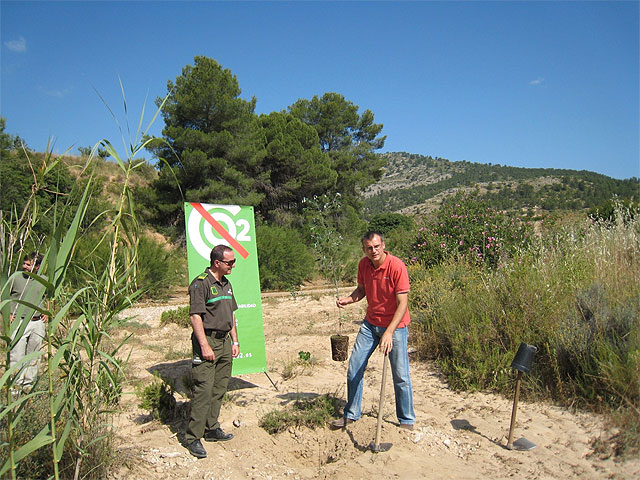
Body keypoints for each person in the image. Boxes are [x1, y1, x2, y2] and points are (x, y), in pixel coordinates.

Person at [332, 231, 416, 430]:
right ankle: (351, 413)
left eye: (377, 246)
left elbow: (402, 304)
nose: (374, 251)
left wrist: (388, 333)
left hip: (396, 326)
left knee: (401, 375)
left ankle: (406, 420)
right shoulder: (363, 265)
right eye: (369, 248)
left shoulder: (397, 266)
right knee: (354, 367)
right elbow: (361, 290)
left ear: (383, 245)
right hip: (370, 324)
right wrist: (348, 299)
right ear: (364, 250)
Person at [184, 244, 241, 459]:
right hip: (207, 341)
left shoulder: (226, 284)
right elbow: (195, 316)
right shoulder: (201, 284)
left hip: (225, 342)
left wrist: (235, 341)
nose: (233, 266)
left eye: (233, 262)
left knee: (219, 387)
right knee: (203, 390)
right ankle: (193, 437)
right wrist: (204, 345)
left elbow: (232, 315)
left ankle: (211, 428)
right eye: (230, 262)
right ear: (217, 263)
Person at [9, 252, 48, 393]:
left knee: (34, 355)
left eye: (28, 264)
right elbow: (4, 295)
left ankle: (28, 387)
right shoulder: (16, 278)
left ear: (37, 266)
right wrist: (7, 314)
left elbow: (47, 297)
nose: (24, 266)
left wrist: (46, 312)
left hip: (37, 323)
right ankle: (15, 388)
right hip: (19, 322)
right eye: (24, 263)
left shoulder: (43, 280)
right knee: (16, 355)